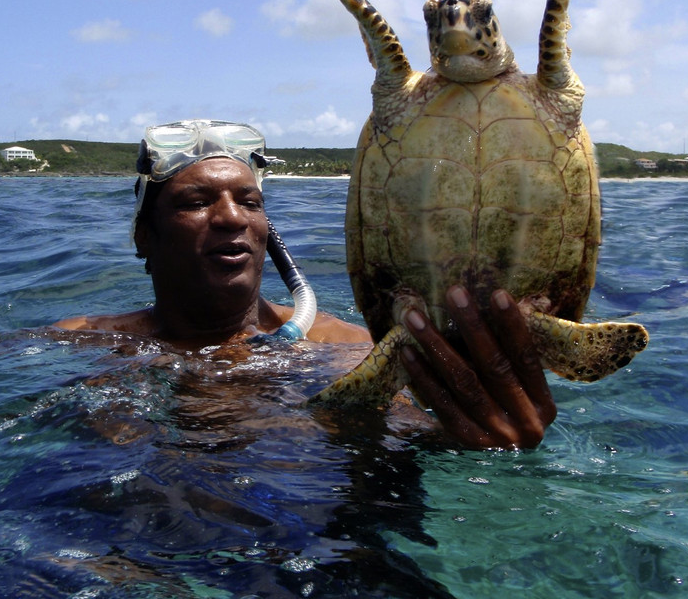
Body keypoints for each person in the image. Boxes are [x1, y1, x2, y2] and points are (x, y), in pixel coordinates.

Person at [58, 119, 556, 449]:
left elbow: (408, 440)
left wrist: (480, 433)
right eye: (196, 202)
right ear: (145, 236)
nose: (232, 217)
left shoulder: (351, 349)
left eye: (250, 202)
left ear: (266, 232)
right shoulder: (82, 342)